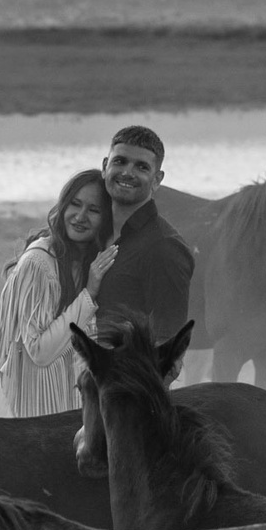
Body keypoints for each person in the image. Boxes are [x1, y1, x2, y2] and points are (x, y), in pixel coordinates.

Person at [75, 124, 195, 470]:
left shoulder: (165, 249)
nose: (128, 172)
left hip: (119, 412)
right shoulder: (91, 230)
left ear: (157, 179)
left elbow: (169, 353)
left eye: (141, 167)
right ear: (104, 165)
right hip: (78, 382)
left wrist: (118, 416)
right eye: (121, 162)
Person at [0, 169, 116, 416]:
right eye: (74, 205)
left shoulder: (84, 261)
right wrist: (88, 295)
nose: (80, 216)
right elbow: (40, 351)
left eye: (94, 210)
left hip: (56, 410)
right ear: (63, 206)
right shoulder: (39, 263)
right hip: (25, 415)